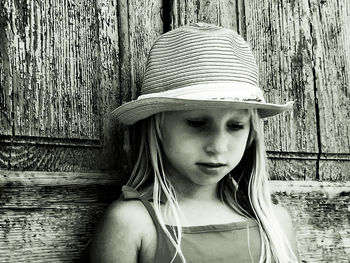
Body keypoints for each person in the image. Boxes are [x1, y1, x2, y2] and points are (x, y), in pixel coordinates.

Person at [89, 23, 300, 263]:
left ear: (251, 133)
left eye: (235, 126)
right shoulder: (132, 224)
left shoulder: (274, 222)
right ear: (157, 126)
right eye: (197, 123)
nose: (218, 147)